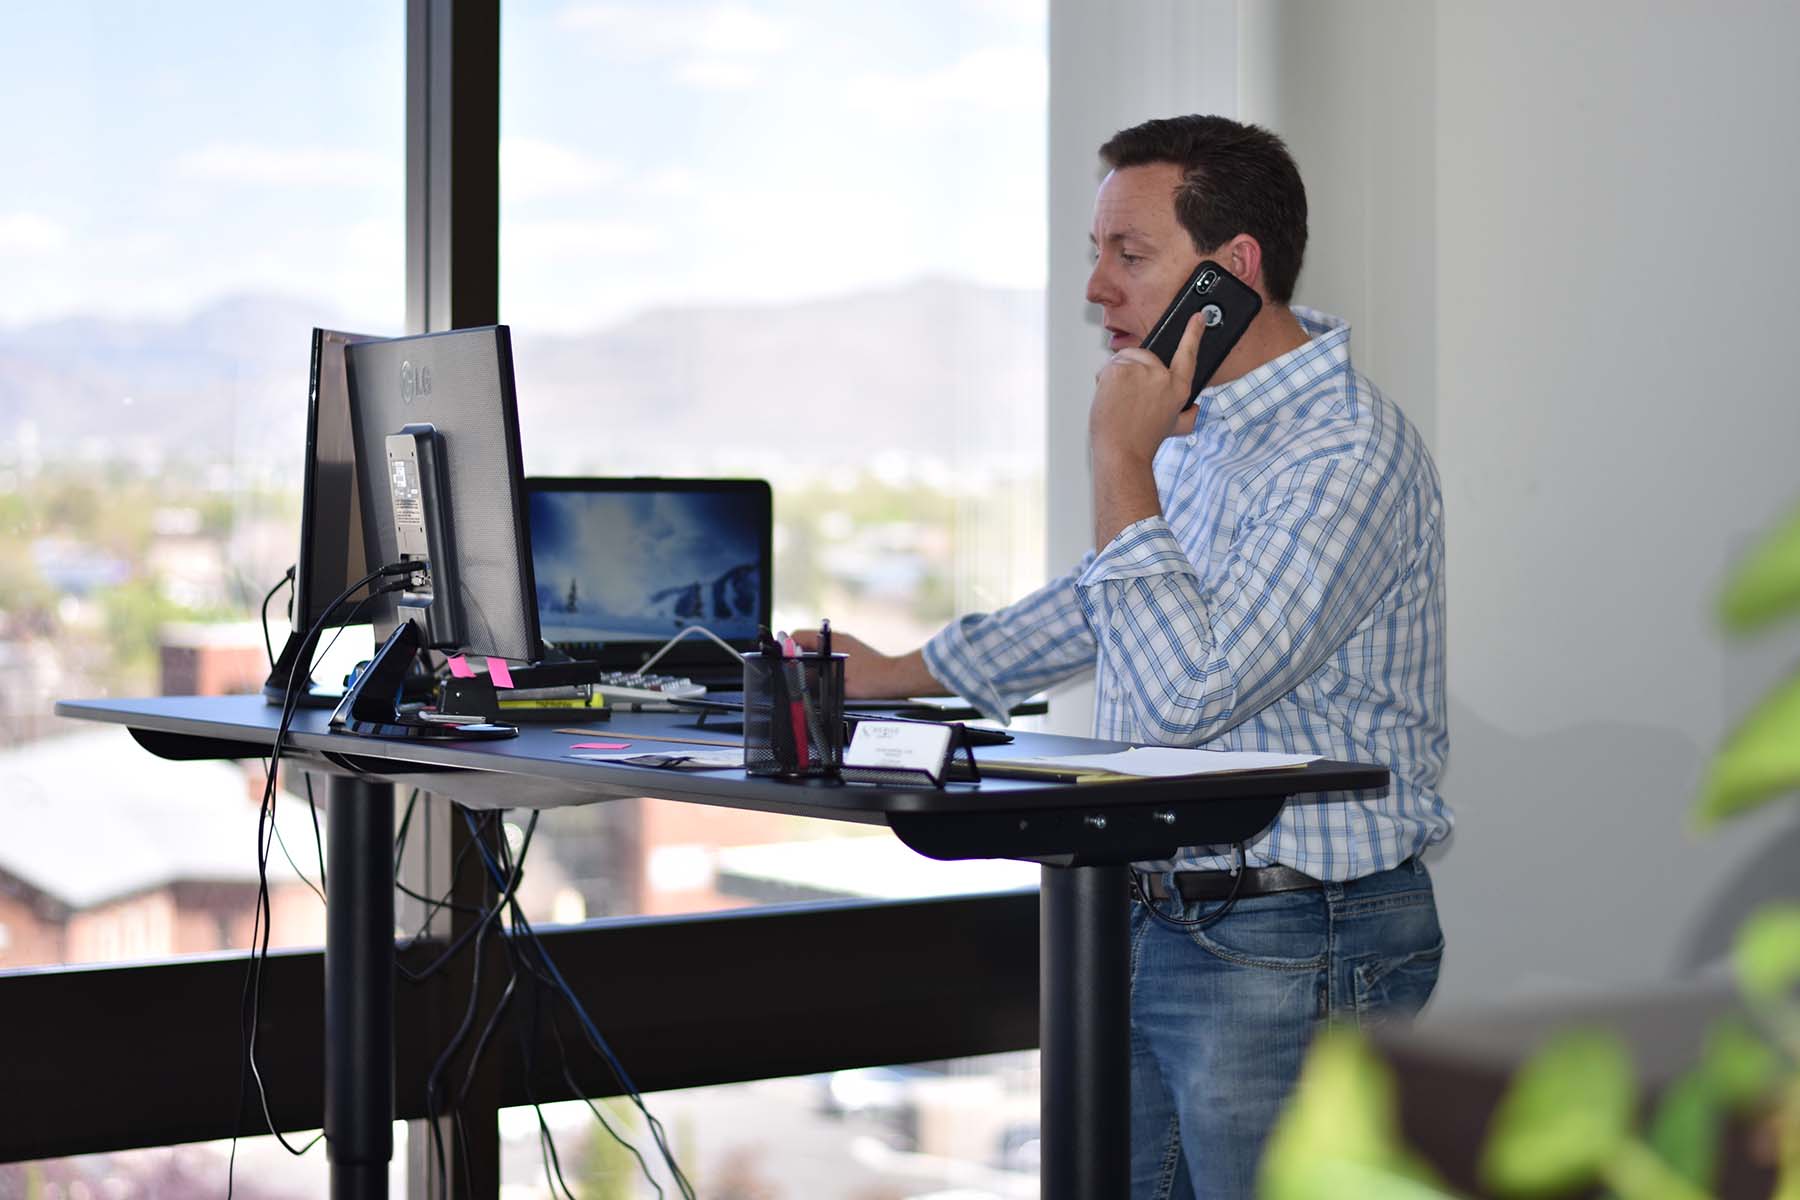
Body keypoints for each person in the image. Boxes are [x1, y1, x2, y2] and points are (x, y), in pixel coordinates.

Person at [797, 113, 1451, 1199]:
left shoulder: (1344, 454)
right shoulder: (1207, 431)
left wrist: (1119, 458)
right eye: (1095, 255)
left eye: (1128, 256)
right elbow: (1109, 605)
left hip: (1293, 934)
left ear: (1231, 272)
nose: (1095, 289)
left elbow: (1183, 696)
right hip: (1165, 913)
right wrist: (900, 671)